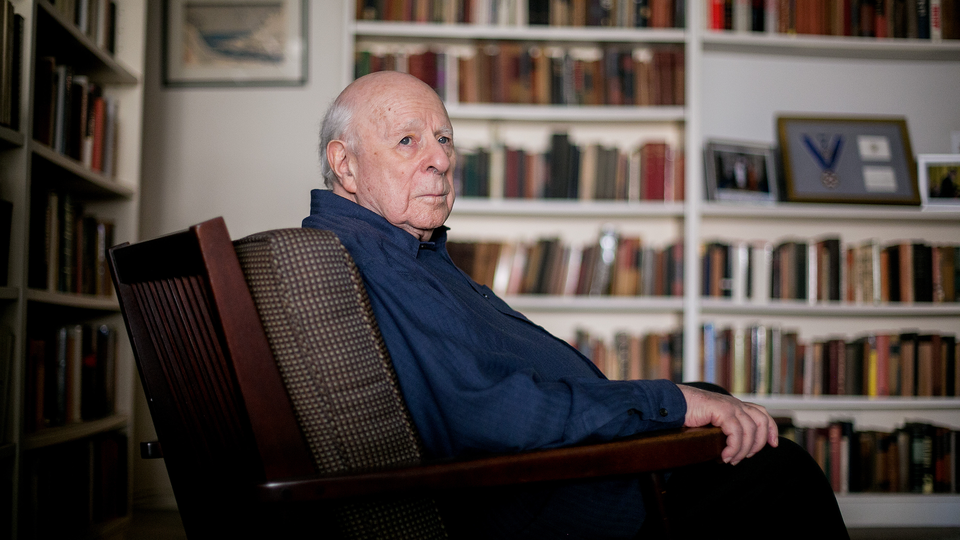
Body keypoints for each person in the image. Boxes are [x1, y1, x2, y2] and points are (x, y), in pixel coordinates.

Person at [303, 71, 848, 539]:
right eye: (407, 141)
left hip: (567, 475)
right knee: (782, 471)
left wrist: (676, 404)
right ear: (344, 166)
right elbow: (493, 413)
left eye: (444, 140)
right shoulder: (370, 264)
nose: (440, 160)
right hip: (562, 502)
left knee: (732, 422)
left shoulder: (395, 252)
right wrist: (668, 405)